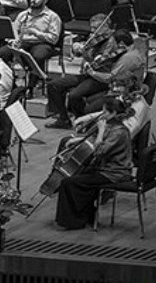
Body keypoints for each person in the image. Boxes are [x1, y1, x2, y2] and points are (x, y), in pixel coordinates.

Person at [54, 98, 135, 230]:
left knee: (69, 182)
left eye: (105, 112)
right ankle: (86, 217)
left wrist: (101, 131)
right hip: (104, 169)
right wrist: (77, 140)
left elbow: (99, 151)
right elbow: (95, 139)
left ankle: (74, 221)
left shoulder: (119, 132)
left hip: (114, 173)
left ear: (113, 113)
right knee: (78, 177)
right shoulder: (113, 126)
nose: (102, 115)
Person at [46, 28, 142, 129]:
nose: (111, 44)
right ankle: (63, 118)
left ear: (121, 43)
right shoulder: (122, 49)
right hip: (93, 75)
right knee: (54, 85)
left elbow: (110, 78)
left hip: (102, 80)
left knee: (74, 95)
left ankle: (82, 121)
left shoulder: (128, 58)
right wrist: (89, 59)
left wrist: (92, 72)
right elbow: (102, 59)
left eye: (113, 42)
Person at [0, 0, 61, 75]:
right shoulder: (23, 14)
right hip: (23, 42)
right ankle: (9, 78)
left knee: (38, 55)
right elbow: (14, 31)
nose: (33, 0)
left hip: (41, 43)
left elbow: (54, 39)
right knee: (2, 53)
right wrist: (13, 40)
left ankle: (35, 82)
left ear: (45, 0)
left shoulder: (52, 16)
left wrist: (36, 32)